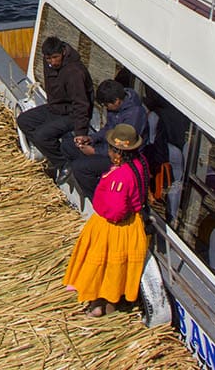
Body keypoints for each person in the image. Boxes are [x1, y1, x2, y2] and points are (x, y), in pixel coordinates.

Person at [63, 123, 151, 317]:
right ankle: (111, 307)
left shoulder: (120, 176)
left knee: (101, 267)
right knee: (115, 271)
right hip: (131, 224)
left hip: (114, 227)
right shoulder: (140, 162)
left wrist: (99, 206)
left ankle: (97, 307)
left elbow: (115, 211)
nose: (109, 153)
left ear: (118, 152)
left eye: (111, 149)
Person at [15, 36, 93, 173]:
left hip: (72, 113)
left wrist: (81, 132)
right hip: (55, 108)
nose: (52, 62)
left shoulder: (74, 73)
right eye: (48, 59)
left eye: (55, 57)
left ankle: (64, 163)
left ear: (63, 52)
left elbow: (82, 104)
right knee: (23, 120)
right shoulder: (49, 63)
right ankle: (51, 151)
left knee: (42, 136)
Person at [64, 79, 150, 199]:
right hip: (109, 146)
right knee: (69, 145)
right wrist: (91, 139)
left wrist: (95, 152)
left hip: (124, 158)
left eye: (106, 105)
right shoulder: (115, 108)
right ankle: (81, 178)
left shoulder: (134, 115)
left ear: (116, 101)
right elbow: (109, 128)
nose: (106, 108)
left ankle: (97, 199)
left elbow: (124, 147)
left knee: (80, 167)